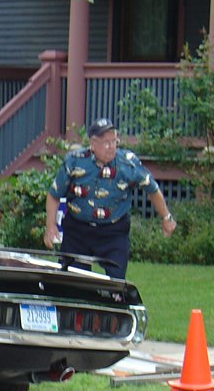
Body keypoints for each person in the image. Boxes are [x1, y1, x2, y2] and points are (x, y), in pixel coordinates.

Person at [43, 118, 177, 279]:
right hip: (78, 230)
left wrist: (166, 217)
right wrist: (50, 226)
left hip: (113, 232)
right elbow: (54, 194)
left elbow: (152, 188)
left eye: (114, 140)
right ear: (93, 144)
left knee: (116, 284)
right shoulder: (75, 161)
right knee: (72, 281)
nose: (111, 146)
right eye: (106, 142)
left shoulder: (127, 163)